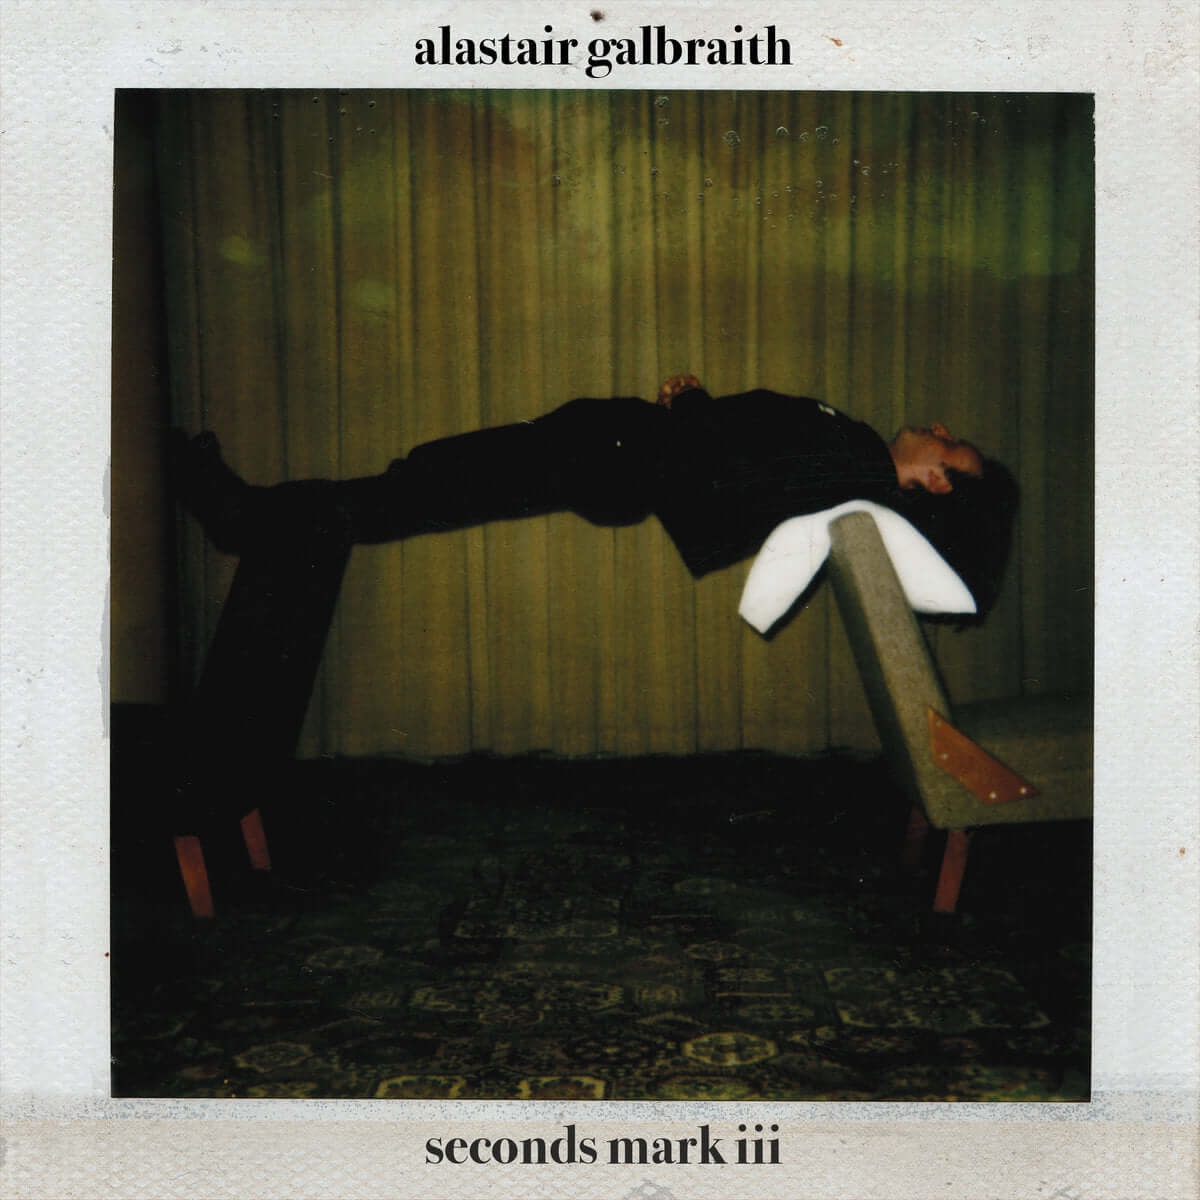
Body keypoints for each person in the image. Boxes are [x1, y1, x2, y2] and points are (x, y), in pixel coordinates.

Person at [171, 378, 1013, 610]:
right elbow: (751, 455)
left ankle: (243, 517)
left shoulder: (854, 464)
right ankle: (250, 515)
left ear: (938, 479)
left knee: (419, 487)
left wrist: (690, 411)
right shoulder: (853, 453)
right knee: (422, 482)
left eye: (950, 445)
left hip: (615, 458)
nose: (940, 428)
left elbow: (740, 473)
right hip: (617, 454)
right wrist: (696, 409)